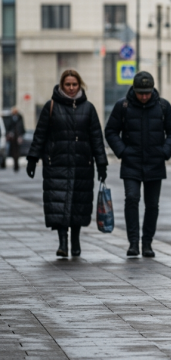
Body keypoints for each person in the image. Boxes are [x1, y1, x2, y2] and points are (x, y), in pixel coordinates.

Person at [26, 70, 108, 257]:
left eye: (74, 84)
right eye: (67, 85)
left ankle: (76, 240)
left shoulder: (88, 108)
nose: (71, 88)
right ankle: (63, 242)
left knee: (79, 204)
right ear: (62, 86)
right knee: (59, 204)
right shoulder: (51, 107)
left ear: (80, 85)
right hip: (57, 164)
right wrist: (32, 159)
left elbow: (97, 138)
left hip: (82, 164)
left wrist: (101, 164)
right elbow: (40, 135)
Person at [105, 72, 171, 258]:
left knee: (152, 205)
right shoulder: (122, 106)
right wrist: (122, 151)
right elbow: (110, 131)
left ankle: (147, 243)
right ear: (134, 90)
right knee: (131, 199)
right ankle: (133, 243)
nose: (144, 96)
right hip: (131, 163)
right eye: (141, 93)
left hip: (155, 163)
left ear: (153, 90)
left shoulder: (163, 106)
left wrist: (164, 152)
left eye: (147, 93)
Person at [5, 107, 24, 172]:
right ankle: (15, 165)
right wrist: (9, 134)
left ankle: (16, 165)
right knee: (12, 152)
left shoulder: (20, 118)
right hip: (12, 138)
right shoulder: (10, 118)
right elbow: (8, 127)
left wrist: (21, 136)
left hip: (18, 137)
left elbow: (22, 127)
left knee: (17, 152)